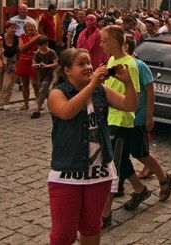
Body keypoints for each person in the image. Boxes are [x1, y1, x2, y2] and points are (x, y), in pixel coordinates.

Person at [47, 48, 137, 245]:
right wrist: (92, 84)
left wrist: (128, 83)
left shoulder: (101, 90)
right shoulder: (57, 93)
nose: (88, 67)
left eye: (89, 62)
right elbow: (66, 112)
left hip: (99, 174)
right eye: (81, 64)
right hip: (68, 174)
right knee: (63, 235)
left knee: (91, 227)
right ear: (67, 70)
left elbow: (130, 105)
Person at [121, 35, 171, 207]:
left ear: (125, 46)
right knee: (121, 155)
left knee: (140, 152)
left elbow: (150, 92)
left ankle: (163, 178)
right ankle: (132, 187)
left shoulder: (140, 65)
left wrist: (149, 116)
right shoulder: (116, 63)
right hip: (122, 117)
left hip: (138, 117)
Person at [100, 25, 143, 228]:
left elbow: (134, 95)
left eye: (103, 41)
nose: (101, 44)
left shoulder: (129, 65)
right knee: (121, 159)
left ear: (114, 43)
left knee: (113, 166)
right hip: (109, 117)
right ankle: (140, 189)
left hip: (121, 120)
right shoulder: (112, 60)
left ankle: (106, 213)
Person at [31, 35, 58, 119]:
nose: (40, 47)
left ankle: (37, 110)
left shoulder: (52, 52)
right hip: (40, 75)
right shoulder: (37, 53)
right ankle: (55, 102)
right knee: (45, 92)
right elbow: (33, 64)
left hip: (48, 75)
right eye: (39, 46)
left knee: (42, 91)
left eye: (41, 45)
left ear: (46, 44)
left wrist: (46, 66)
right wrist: (38, 65)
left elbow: (55, 63)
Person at [17, 21, 40, 110]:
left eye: (33, 26)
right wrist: (33, 40)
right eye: (29, 26)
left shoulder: (39, 36)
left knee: (35, 83)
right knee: (25, 83)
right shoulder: (22, 37)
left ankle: (39, 103)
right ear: (25, 29)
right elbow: (21, 48)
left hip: (34, 62)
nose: (31, 28)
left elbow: (42, 49)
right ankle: (26, 104)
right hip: (23, 62)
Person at [0, 22, 19, 108]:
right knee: (0, 83)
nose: (14, 30)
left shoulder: (16, 38)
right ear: (6, 29)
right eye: (12, 28)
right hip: (1, 60)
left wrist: (17, 62)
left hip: (12, 62)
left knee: (7, 84)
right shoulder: (1, 37)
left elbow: (19, 51)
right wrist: (2, 60)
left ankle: (3, 103)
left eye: (15, 28)